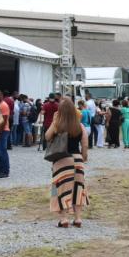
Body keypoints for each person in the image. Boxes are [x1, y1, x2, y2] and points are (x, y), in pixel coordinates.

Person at [44, 97, 90, 228]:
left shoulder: (57, 124)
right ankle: (78, 218)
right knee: (78, 188)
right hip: (77, 159)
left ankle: (64, 219)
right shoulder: (79, 125)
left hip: (62, 160)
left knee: (60, 188)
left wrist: (54, 121)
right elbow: (85, 144)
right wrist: (83, 157)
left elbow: (47, 137)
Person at [0, 89, 11, 179]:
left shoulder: (3, 105)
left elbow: (4, 120)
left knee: (2, 151)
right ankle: (0, 170)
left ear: (2, 96)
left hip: (2, 130)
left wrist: (0, 132)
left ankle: (5, 171)